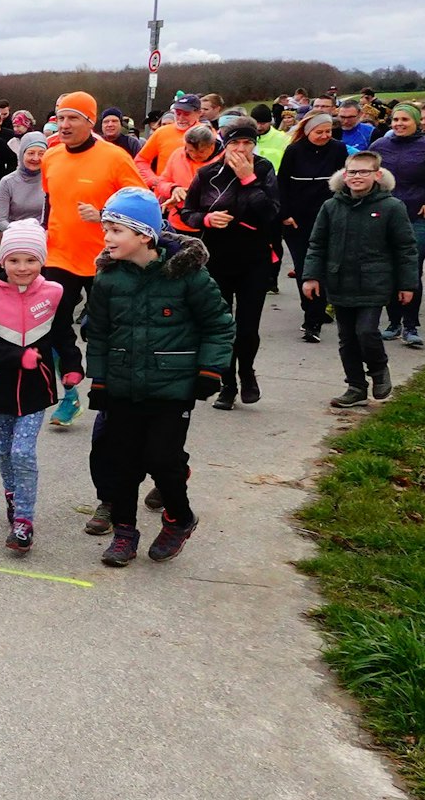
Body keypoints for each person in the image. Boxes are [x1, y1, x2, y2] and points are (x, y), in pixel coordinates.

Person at [86, 188, 233, 566]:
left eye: (116, 230)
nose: (107, 238)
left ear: (144, 235)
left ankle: (179, 519)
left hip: (172, 386)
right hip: (121, 385)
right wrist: (99, 382)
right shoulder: (106, 280)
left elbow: (218, 325)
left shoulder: (187, 276)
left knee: (163, 460)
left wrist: (209, 370)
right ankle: (124, 533)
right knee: (121, 463)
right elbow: (98, 334)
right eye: (106, 229)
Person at [0, 219, 79, 555]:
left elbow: (64, 336)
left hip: (36, 388)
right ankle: (13, 494)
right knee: (3, 449)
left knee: (22, 451)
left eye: (31, 260)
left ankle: (24, 522)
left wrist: (72, 368)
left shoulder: (54, 294)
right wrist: (17, 356)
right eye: (14, 260)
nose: (22, 267)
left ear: (42, 261)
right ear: (2, 261)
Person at [39, 90, 147, 429]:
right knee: (51, 325)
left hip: (107, 258)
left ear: (90, 121)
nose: (65, 124)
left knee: (109, 330)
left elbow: (142, 206)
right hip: (60, 255)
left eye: (74, 118)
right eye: (61, 118)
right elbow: (51, 203)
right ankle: (70, 392)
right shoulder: (51, 157)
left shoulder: (114, 158)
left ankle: (115, 392)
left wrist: (103, 215)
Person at [305, 151, 417, 409]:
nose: (357, 177)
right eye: (352, 172)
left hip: (374, 282)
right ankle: (355, 387)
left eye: (364, 172)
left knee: (366, 331)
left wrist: (407, 284)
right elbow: (317, 244)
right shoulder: (331, 206)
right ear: (344, 175)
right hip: (340, 281)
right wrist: (311, 276)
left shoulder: (391, 207)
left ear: (377, 175)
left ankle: (378, 370)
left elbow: (406, 248)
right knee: (347, 338)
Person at [180, 122, 280, 409]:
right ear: (225, 144)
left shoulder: (263, 170)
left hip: (255, 259)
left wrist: (249, 179)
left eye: (247, 143)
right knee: (222, 325)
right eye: (236, 143)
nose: (241, 150)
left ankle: (247, 373)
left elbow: (271, 214)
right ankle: (227, 384)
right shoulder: (208, 173)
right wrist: (207, 220)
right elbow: (188, 212)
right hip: (217, 258)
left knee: (247, 327)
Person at [370, 103, 425, 347]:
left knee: (410, 266)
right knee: (389, 267)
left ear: (416, 122)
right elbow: (367, 173)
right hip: (386, 216)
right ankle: (393, 323)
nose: (398, 124)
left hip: (419, 216)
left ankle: (410, 326)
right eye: (395, 120)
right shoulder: (379, 146)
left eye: (405, 120)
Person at [280, 112, 347, 341]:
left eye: (328, 131)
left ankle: (315, 316)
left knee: (324, 267)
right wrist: (285, 214)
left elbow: (343, 183)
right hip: (298, 219)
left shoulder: (338, 149)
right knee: (304, 267)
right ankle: (311, 313)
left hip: (328, 216)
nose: (324, 136)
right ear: (308, 132)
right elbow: (283, 184)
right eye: (319, 132)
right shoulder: (294, 151)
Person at [156, 125, 220, 232]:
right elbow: (162, 182)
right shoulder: (177, 155)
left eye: (201, 151)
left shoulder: (224, 162)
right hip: (176, 223)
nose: (194, 155)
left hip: (208, 226)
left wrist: (192, 195)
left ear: (212, 146)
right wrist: (173, 189)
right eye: (190, 150)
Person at [0, 131, 48, 232]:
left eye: (41, 154)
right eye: (31, 153)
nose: (36, 158)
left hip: (44, 238)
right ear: (21, 154)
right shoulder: (7, 182)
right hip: (15, 237)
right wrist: (19, 231)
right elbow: (0, 220)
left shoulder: (51, 180)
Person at [138, 94, 201, 174]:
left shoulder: (208, 134)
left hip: (196, 185)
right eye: (178, 113)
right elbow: (141, 160)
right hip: (165, 185)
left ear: (199, 113)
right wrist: (152, 180)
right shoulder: (161, 132)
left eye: (186, 114)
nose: (181, 118)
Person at [251, 104, 289, 169]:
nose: (259, 127)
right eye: (256, 123)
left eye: (263, 123)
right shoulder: (244, 139)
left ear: (270, 122)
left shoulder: (285, 139)